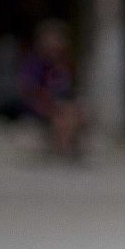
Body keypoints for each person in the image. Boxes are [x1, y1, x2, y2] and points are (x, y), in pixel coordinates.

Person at [18, 19, 86, 159]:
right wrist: (50, 105)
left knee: (74, 112)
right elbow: (28, 90)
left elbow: (68, 91)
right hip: (40, 106)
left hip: (61, 105)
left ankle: (68, 149)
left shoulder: (65, 65)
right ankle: (63, 150)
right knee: (63, 115)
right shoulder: (34, 64)